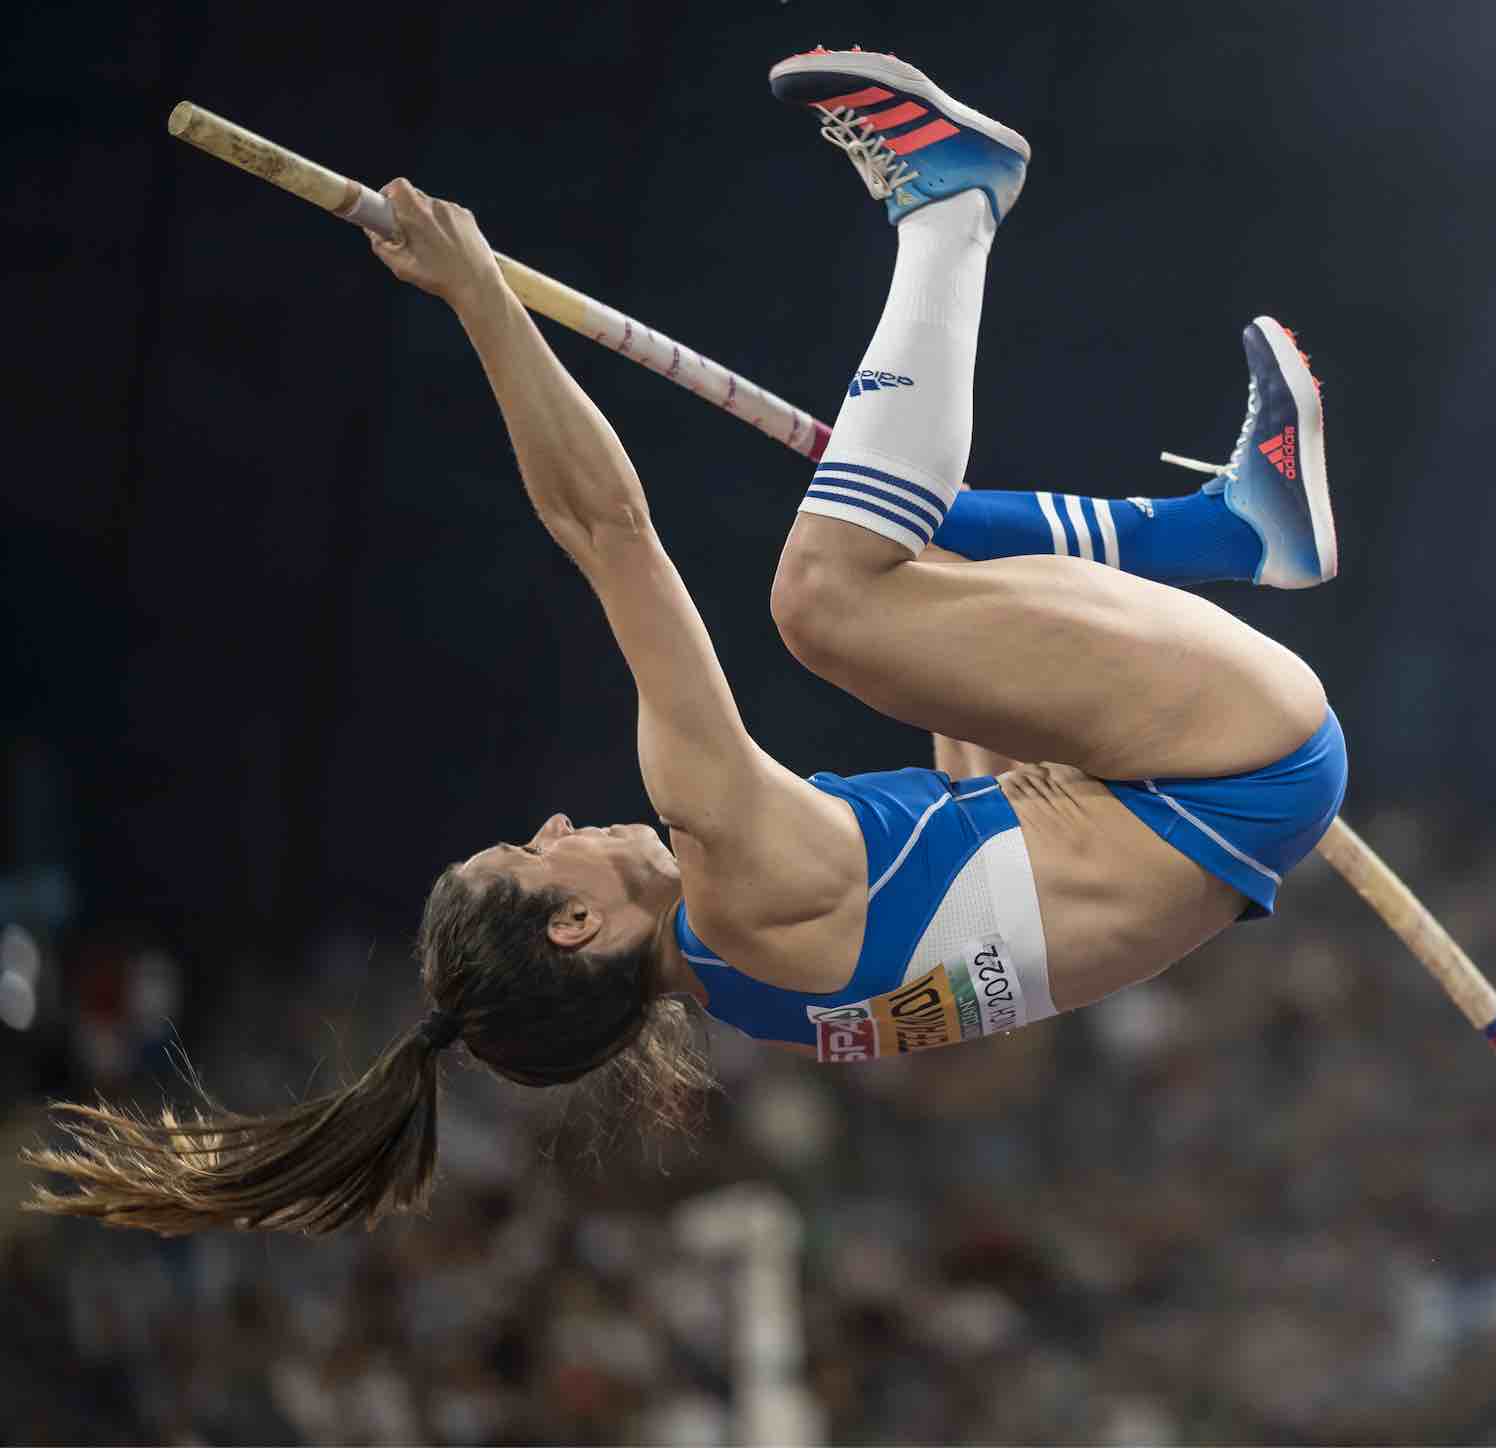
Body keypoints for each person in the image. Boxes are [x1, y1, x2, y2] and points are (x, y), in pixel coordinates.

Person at [25, 49, 1346, 1235]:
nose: (555, 821)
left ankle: (1235, 531)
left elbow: (989, 829)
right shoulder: (729, 861)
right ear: (577, 925)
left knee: (902, 529)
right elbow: (604, 527)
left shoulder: (761, 989)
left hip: (1212, 790)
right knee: (825, 601)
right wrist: (479, 296)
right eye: (532, 852)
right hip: (1221, 765)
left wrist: (960, 677)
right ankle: (954, 205)